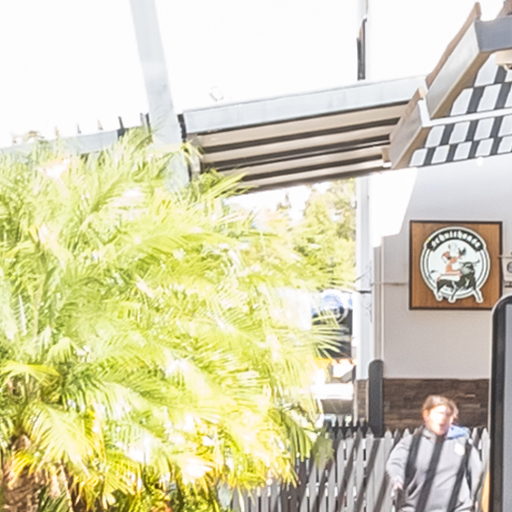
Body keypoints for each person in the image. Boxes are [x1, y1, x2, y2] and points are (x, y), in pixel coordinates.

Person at [386, 395, 483, 512]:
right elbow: (395, 463)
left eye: (448, 415)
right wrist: (397, 479)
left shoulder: (463, 444)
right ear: (426, 415)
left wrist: (471, 501)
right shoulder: (410, 444)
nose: (443, 418)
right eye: (439, 413)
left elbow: (477, 473)